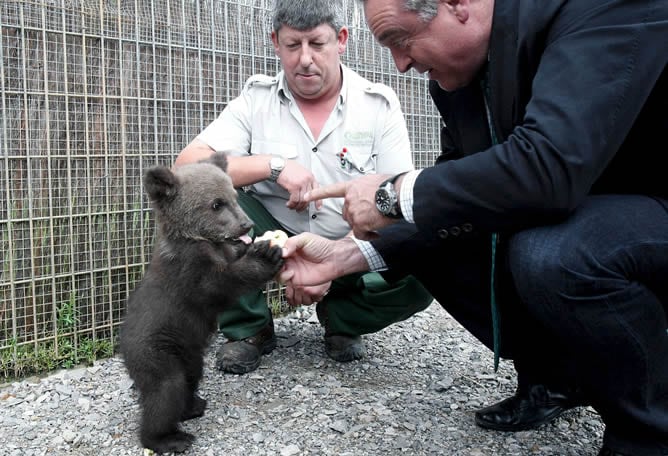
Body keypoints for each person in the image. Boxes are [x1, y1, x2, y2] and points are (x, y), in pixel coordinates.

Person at [279, 0, 668, 455]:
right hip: (593, 210)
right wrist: (345, 254)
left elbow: (549, 168)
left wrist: (392, 194)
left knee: (552, 254)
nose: (401, 64)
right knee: (436, 229)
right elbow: (455, 192)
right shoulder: (459, 77)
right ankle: (558, 377)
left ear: (458, 5)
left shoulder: (594, 9)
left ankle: (648, 433)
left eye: (401, 40)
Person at [174, 0, 433, 375]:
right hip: (267, 240)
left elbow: (396, 205)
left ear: (341, 40)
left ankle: (343, 318)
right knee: (204, 208)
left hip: (348, 244)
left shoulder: (378, 105)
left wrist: (334, 262)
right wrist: (272, 166)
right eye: (293, 45)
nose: (305, 59)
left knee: (424, 262)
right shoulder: (256, 100)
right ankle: (250, 329)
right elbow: (187, 169)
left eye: (317, 44)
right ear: (275, 43)